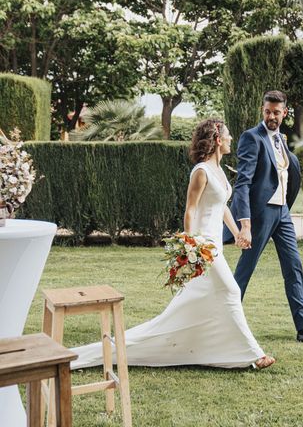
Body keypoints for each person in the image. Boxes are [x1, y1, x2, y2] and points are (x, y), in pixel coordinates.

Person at [71, 119, 275, 370]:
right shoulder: (201, 171)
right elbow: (189, 210)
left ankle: (183, 348)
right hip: (204, 246)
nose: (232, 139)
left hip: (215, 245)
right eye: (228, 135)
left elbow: (221, 206)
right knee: (232, 292)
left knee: (195, 306)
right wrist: (191, 246)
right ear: (218, 140)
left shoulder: (220, 171)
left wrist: (237, 233)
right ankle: (254, 354)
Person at [226, 90, 303, 344]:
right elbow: (242, 183)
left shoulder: (282, 139)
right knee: (245, 270)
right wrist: (245, 224)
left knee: (294, 267)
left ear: (284, 112)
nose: (271, 116)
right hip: (260, 214)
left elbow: (285, 173)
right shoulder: (251, 137)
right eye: (267, 111)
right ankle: (225, 322)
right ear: (262, 110)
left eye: (276, 112)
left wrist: (285, 205)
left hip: (282, 213)